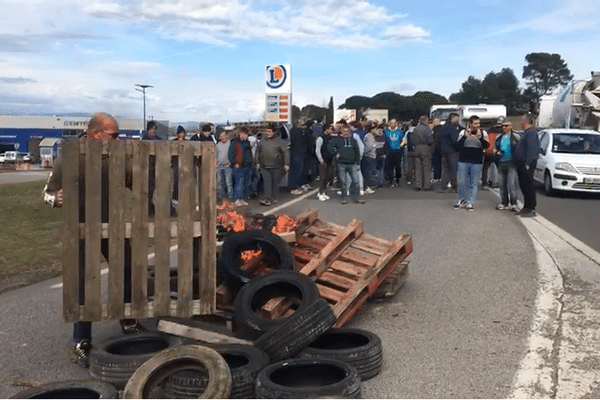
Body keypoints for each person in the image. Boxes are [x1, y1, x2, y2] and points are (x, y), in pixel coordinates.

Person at [42, 113, 144, 368]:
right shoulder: (69, 155)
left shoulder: (116, 156)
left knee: (127, 270)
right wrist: (56, 199)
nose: (118, 140)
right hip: (81, 227)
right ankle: (80, 339)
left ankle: (128, 319)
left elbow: (135, 182)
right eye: (115, 136)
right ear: (97, 134)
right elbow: (48, 192)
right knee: (84, 281)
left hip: (114, 225)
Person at [454, 115, 489, 211]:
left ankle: (471, 202)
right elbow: (457, 146)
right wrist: (465, 136)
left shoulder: (483, 133)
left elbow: (486, 146)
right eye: (475, 123)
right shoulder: (463, 132)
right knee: (461, 181)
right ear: (470, 124)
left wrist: (480, 138)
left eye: (478, 123)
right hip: (463, 159)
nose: (477, 126)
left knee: (473, 182)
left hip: (476, 161)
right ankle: (462, 199)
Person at [327, 125, 365, 204]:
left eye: (347, 131)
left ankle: (356, 197)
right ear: (341, 132)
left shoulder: (353, 140)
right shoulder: (337, 140)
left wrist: (358, 163)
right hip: (341, 164)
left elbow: (357, 152)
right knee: (343, 182)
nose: (346, 133)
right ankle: (344, 197)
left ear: (349, 132)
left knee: (356, 181)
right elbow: (329, 146)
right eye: (344, 131)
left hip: (353, 163)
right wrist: (335, 153)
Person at [257, 124, 290, 206]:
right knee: (267, 183)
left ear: (274, 132)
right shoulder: (262, 141)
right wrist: (257, 162)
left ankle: (274, 197)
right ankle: (267, 198)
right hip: (264, 166)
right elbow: (258, 152)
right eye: (267, 131)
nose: (268, 133)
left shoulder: (280, 142)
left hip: (276, 166)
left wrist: (286, 164)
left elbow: (286, 153)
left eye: (269, 131)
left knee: (275, 183)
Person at [514, 113, 540, 217]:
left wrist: (528, 163)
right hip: (521, 163)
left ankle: (531, 208)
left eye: (521, 121)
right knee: (523, 185)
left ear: (525, 122)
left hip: (526, 164)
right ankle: (526, 206)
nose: (520, 123)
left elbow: (531, 149)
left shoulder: (531, 133)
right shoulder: (525, 133)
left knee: (528, 185)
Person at [494, 121, 521, 211]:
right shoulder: (499, 137)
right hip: (501, 163)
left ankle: (514, 203)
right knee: (502, 185)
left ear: (510, 126)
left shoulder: (515, 137)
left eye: (506, 126)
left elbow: (520, 148)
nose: (504, 127)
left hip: (512, 163)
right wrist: (496, 152)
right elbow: (495, 147)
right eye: (503, 126)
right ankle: (504, 202)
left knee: (512, 184)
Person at [228, 127, 253, 207]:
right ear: (240, 134)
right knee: (239, 183)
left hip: (247, 165)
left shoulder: (247, 142)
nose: (245, 136)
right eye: (243, 134)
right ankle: (237, 199)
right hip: (239, 166)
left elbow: (250, 153)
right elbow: (231, 154)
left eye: (246, 134)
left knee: (245, 184)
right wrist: (234, 163)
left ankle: (241, 198)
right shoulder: (235, 142)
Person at [437, 113, 461, 193]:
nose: (457, 120)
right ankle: (455, 186)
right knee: (454, 169)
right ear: (452, 118)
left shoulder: (443, 127)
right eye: (456, 118)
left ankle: (443, 186)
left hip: (444, 151)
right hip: (452, 151)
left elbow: (439, 139)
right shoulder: (452, 128)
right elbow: (455, 140)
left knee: (445, 169)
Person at [142, 120, 161, 217]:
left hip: (158, 168)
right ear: (148, 130)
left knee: (158, 189)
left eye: (155, 129)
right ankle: (149, 208)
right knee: (148, 189)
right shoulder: (143, 141)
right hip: (146, 168)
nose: (154, 131)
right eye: (152, 129)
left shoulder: (160, 140)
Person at [411, 115, 435, 191]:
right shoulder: (427, 129)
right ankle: (426, 185)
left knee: (417, 167)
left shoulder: (415, 129)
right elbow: (430, 140)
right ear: (425, 121)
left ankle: (418, 184)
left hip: (416, 147)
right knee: (426, 167)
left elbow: (411, 139)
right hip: (425, 147)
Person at [315, 123, 337, 201]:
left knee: (328, 177)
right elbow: (318, 150)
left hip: (330, 160)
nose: (331, 130)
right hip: (323, 160)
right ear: (326, 129)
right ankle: (320, 193)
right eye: (330, 129)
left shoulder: (330, 138)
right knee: (322, 177)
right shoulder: (321, 138)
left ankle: (323, 192)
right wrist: (321, 160)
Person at [288, 119, 309, 195]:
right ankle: (294, 187)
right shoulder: (295, 131)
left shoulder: (298, 131)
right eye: (302, 124)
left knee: (299, 170)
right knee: (296, 170)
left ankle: (297, 186)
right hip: (296, 153)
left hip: (299, 153)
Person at [482, 118, 503, 188]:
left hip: (487, 152)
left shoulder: (488, 134)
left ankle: (485, 182)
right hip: (494, 153)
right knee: (498, 168)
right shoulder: (498, 135)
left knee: (486, 168)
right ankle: (496, 182)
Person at [384, 119, 403, 187]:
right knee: (390, 167)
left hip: (398, 151)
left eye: (394, 123)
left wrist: (400, 146)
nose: (393, 124)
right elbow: (385, 141)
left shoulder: (399, 131)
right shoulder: (386, 131)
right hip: (389, 151)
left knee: (398, 166)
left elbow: (403, 140)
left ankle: (397, 180)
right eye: (391, 123)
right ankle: (391, 180)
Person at [216, 130, 233, 201]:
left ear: (227, 136)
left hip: (227, 166)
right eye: (221, 136)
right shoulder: (217, 145)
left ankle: (230, 196)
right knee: (220, 182)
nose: (223, 137)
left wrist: (231, 163)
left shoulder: (230, 144)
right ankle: (221, 197)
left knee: (228, 182)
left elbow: (233, 154)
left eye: (224, 136)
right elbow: (215, 155)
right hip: (219, 166)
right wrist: (215, 163)